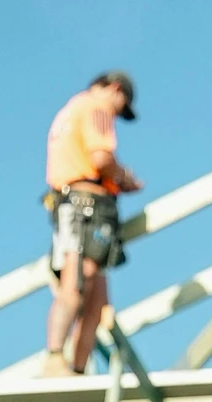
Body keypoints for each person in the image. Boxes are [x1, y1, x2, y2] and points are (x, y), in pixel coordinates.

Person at [42, 72, 142, 376]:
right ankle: (57, 360)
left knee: (97, 297)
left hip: (71, 202)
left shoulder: (70, 110)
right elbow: (101, 158)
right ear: (114, 89)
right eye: (120, 105)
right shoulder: (95, 108)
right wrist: (124, 178)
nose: (116, 112)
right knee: (78, 281)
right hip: (85, 205)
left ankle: (75, 369)